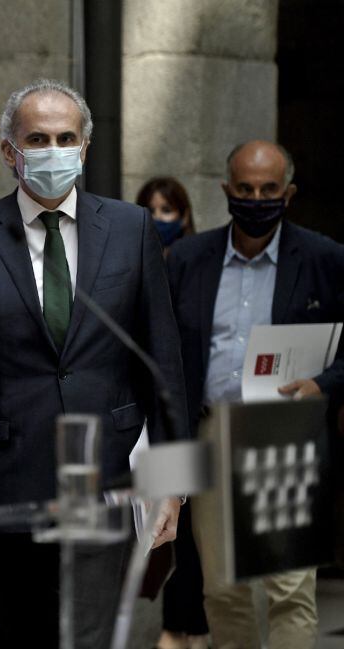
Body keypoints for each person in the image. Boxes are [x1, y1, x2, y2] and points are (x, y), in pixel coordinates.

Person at [0, 79, 188, 649]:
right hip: (4, 481)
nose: (53, 150)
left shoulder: (131, 230)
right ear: (10, 151)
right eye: (38, 138)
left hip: (110, 479)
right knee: (21, 637)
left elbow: (164, 364)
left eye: (66, 138)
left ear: (84, 149)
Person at [167, 140, 344, 649]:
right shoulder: (187, 259)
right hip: (210, 433)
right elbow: (163, 353)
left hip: (284, 435)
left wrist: (323, 384)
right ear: (226, 191)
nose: (256, 198)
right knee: (223, 589)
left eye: (269, 189)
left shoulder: (323, 258)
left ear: (288, 194)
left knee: (289, 589)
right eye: (244, 188)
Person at [135, 177, 209, 649]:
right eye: (152, 210)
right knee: (159, 531)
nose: (161, 219)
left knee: (187, 530)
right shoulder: (130, 267)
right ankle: (179, 629)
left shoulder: (195, 271)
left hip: (191, 418)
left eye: (169, 210)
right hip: (145, 422)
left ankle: (185, 631)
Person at [137, 176, 195, 253]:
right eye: (149, 210)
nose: (157, 217)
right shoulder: (129, 258)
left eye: (166, 210)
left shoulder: (199, 259)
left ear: (185, 216)